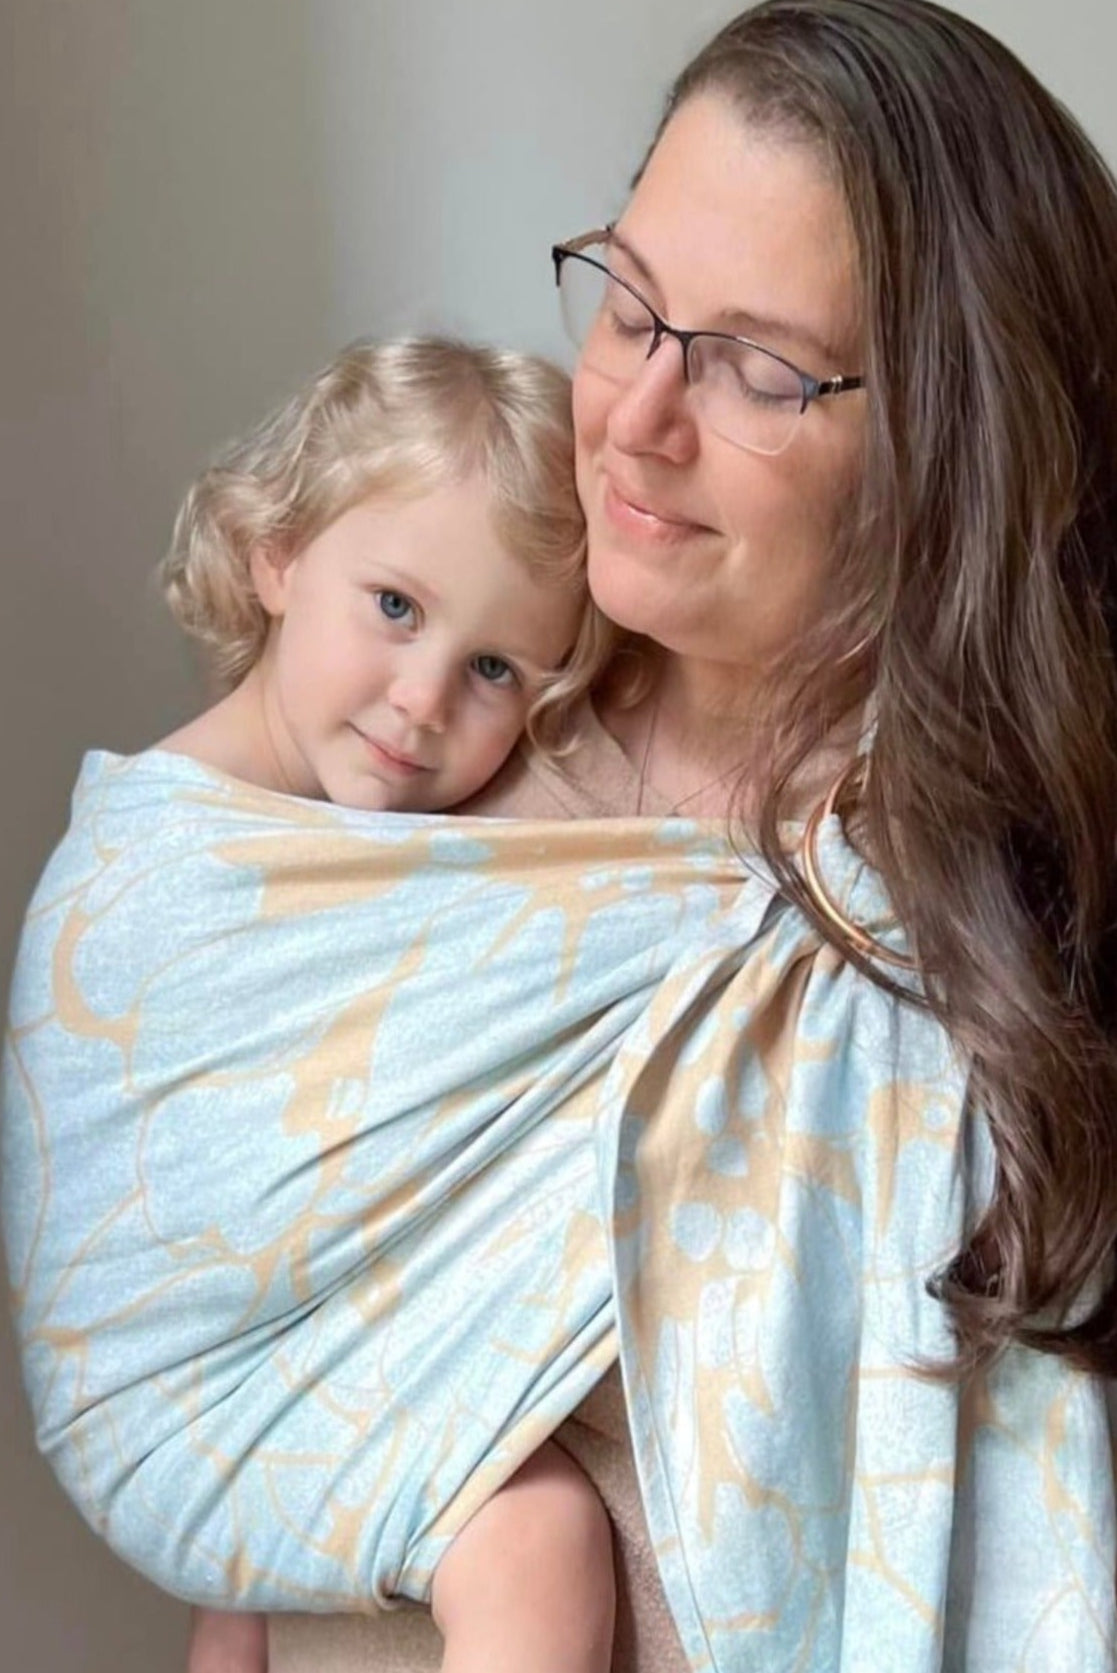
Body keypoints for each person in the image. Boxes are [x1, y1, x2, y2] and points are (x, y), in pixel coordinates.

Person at [266, 1, 1117, 1670]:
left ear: (954, 437)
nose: (638, 417)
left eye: (754, 367)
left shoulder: (1027, 930)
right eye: (633, 303)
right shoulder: (435, 735)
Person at [27, 335, 621, 1673]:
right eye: (397, 608)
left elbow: (349, 1195)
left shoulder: (355, 848)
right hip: (156, 1401)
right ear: (277, 551)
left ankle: (231, 1622)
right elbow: (158, 1201)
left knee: (274, 1569)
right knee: (536, 1537)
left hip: (258, 1364)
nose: (423, 698)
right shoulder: (158, 861)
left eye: (494, 672)